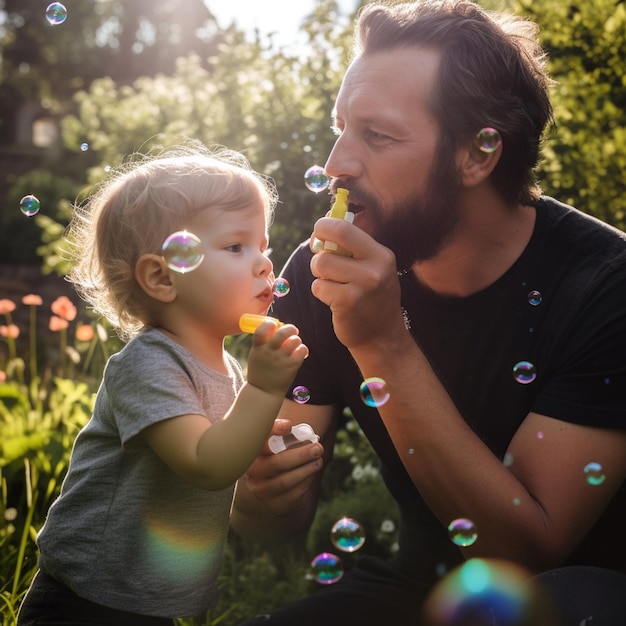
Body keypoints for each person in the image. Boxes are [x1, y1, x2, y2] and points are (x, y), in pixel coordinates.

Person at [231, 1, 626, 624]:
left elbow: (527, 552)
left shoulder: (603, 289)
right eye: (340, 128)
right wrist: (260, 487)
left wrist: (384, 343)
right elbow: (268, 522)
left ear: (478, 155)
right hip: (421, 587)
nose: (336, 163)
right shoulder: (322, 272)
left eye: (378, 135)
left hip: (570, 597)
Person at [17, 144, 309, 626]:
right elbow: (205, 463)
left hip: (148, 599)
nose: (263, 264)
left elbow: (222, 452)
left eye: (264, 247)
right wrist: (261, 393)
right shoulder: (147, 364)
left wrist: (256, 437)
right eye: (237, 246)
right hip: (86, 601)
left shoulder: (228, 370)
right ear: (161, 275)